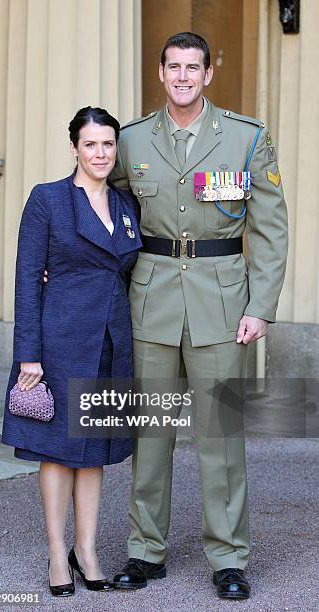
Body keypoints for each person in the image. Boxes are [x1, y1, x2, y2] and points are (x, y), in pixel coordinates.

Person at [110, 32, 288, 599]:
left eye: (194, 67)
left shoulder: (246, 137)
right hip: (153, 300)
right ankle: (145, 551)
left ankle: (229, 558)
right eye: (174, 67)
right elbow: (104, 205)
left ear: (209, 74)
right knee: (151, 435)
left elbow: (270, 229)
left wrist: (261, 307)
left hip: (222, 304)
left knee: (221, 436)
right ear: (160, 74)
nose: (183, 76)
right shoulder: (132, 141)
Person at [1, 106, 142, 597]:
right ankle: (58, 552)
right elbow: (26, 280)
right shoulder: (49, 200)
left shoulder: (126, 205)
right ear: (75, 148)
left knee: (94, 453)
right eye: (91, 144)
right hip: (59, 342)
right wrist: (29, 356)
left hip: (110, 342)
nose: (100, 153)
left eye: (108, 144)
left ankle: (87, 550)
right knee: (59, 450)